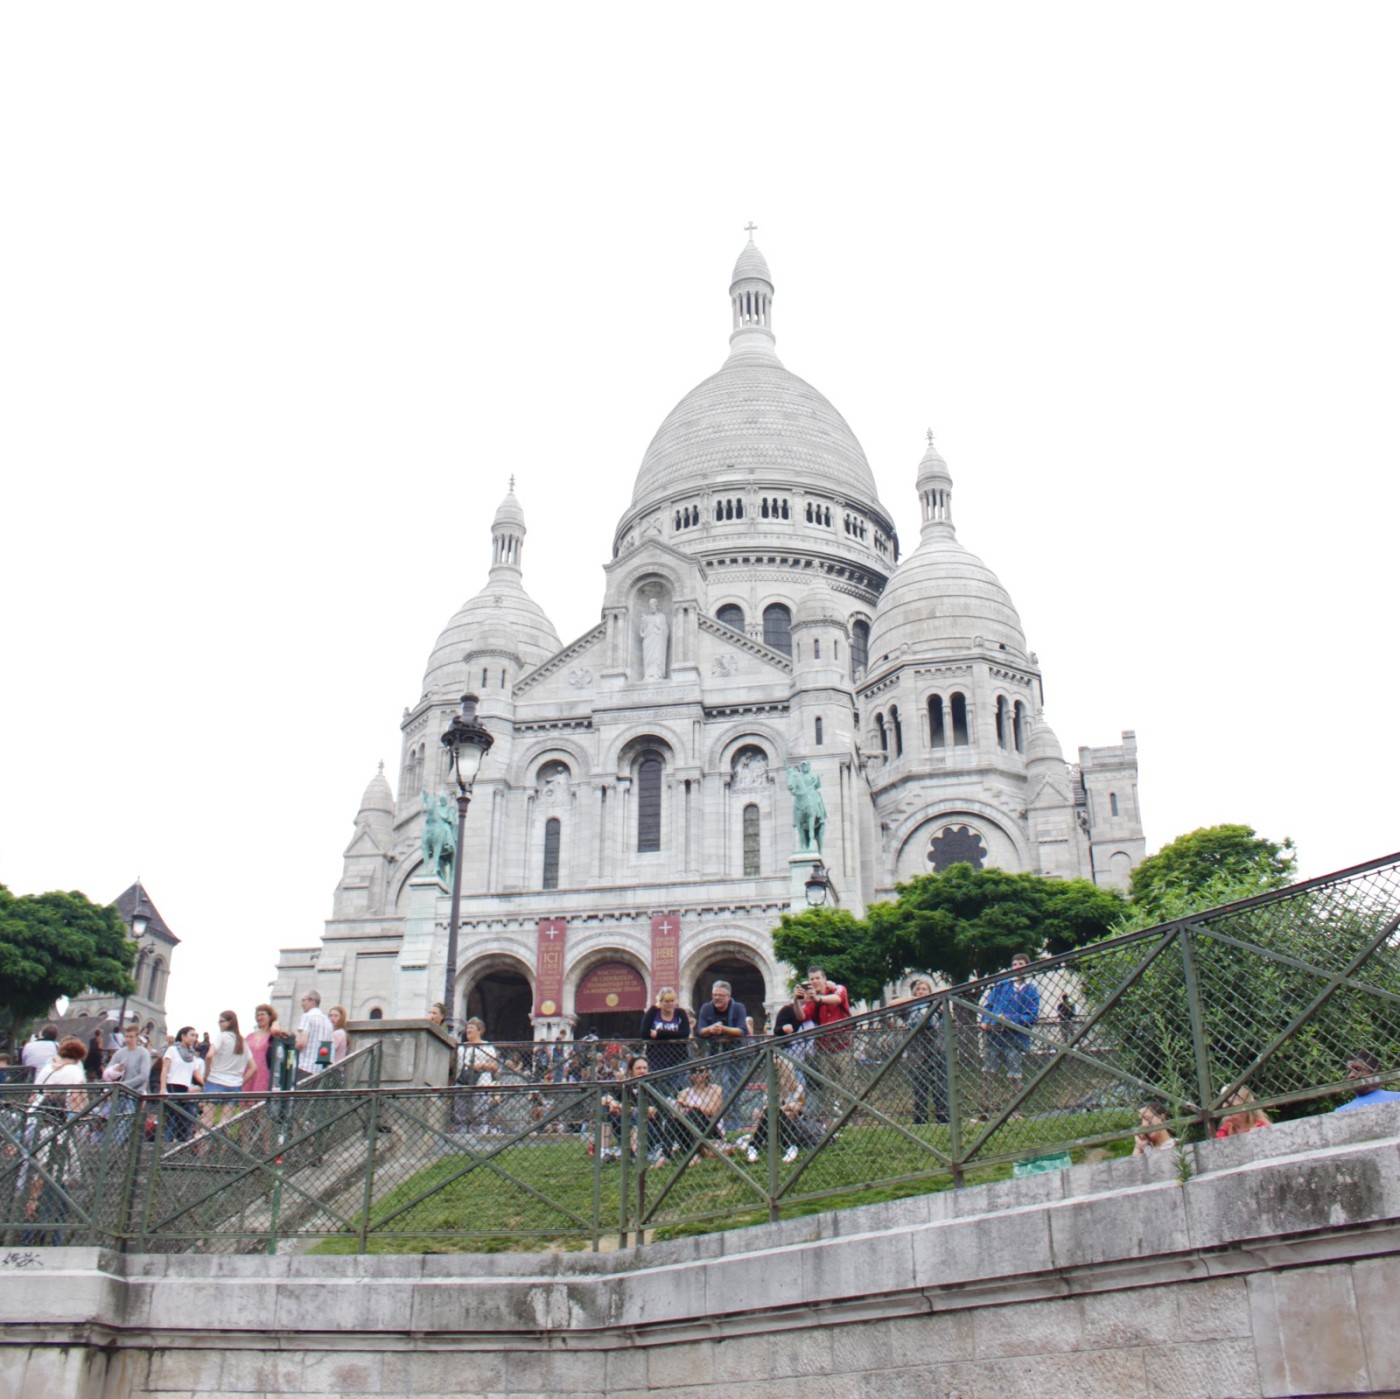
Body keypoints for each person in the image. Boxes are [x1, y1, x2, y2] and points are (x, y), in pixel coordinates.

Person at [979, 953, 1040, 1115]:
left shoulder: (1031, 989)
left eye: (1021, 964)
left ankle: (1015, 1111)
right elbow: (989, 1005)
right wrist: (985, 1020)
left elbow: (1031, 1015)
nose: (1017, 967)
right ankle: (986, 1109)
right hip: (994, 1035)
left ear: (1027, 966)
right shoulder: (1002, 984)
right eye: (1014, 964)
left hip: (1014, 1037)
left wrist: (1009, 1019)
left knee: (1014, 1074)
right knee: (988, 1072)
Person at [890, 976, 948, 1126]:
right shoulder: (909, 1007)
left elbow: (948, 1016)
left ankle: (942, 1117)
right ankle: (920, 1119)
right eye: (919, 990)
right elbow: (892, 1004)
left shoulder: (936, 1005)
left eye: (924, 989)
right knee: (920, 1087)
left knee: (939, 1085)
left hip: (935, 1049)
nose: (921, 992)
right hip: (916, 1051)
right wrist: (913, 999)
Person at [801, 965, 853, 1123]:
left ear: (824, 979)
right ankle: (832, 1122)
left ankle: (849, 1119)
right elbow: (802, 1015)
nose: (815, 981)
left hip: (843, 1045)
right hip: (823, 1048)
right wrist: (797, 1000)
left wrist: (819, 999)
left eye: (818, 978)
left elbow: (837, 1000)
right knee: (827, 1087)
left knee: (848, 1084)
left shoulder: (839, 989)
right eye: (812, 979)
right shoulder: (812, 1000)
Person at [745, 1054, 818, 1165]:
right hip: (773, 1127)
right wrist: (785, 1108)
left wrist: (775, 1111)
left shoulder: (797, 1087)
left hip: (793, 1127)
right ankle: (754, 1148)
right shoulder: (770, 1089)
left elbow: (795, 1112)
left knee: (771, 1113)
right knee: (770, 1114)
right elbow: (769, 1111)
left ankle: (755, 1147)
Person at [695, 980, 748, 1120]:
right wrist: (710, 1029)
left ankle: (735, 1117)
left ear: (728, 996)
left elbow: (742, 1030)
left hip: (737, 1053)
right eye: (714, 995)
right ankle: (722, 1115)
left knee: (737, 1085)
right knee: (721, 1083)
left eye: (720, 995)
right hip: (715, 1053)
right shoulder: (706, 1008)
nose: (716, 998)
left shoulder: (738, 1008)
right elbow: (700, 1031)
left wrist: (724, 1029)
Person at [202, 1011, 254, 1127]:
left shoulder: (222, 1037)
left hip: (215, 1081)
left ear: (229, 1022)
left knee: (206, 1122)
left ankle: (202, 1145)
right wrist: (240, 1082)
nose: (219, 1024)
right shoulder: (242, 1041)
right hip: (234, 1085)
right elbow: (253, 1068)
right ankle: (222, 1145)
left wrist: (206, 1074)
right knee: (224, 1124)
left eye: (221, 1021)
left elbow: (209, 1055)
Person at [160, 1026, 205, 1142]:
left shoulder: (192, 1056)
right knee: (172, 1119)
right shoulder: (173, 1050)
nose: (194, 1038)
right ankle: (166, 1144)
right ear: (183, 1036)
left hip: (185, 1089)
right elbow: (165, 1069)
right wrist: (163, 1088)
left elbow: (197, 1074)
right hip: (172, 1086)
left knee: (185, 1119)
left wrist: (206, 1085)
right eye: (192, 1035)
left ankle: (181, 1143)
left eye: (195, 1036)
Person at [453, 1018, 499, 1132]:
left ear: (480, 1031)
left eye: (472, 1028)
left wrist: (481, 1065)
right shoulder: (462, 1046)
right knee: (460, 1108)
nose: (468, 1030)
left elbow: (494, 1066)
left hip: (481, 1081)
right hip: (462, 1080)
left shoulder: (487, 1046)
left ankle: (479, 1133)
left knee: (479, 1109)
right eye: (467, 1028)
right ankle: (461, 1133)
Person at [638, 987, 691, 1083]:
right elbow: (644, 1033)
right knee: (658, 1087)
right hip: (656, 1059)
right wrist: (674, 1034)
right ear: (660, 1001)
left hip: (678, 1058)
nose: (669, 1004)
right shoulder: (653, 1012)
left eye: (672, 1001)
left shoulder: (680, 1013)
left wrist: (659, 1034)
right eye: (666, 1001)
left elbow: (685, 1034)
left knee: (677, 1087)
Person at [674, 1063, 725, 1162]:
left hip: (710, 1129)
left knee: (695, 1113)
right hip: (688, 1129)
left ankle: (695, 1154)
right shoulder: (686, 1092)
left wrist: (689, 1106)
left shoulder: (715, 1089)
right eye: (694, 1072)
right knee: (674, 1118)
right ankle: (665, 1155)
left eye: (701, 1071)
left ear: (707, 1073)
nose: (697, 1074)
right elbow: (677, 1112)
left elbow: (711, 1111)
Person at [1334, 1050, 1400, 1112]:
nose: (1351, 1075)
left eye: (1358, 1069)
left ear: (1374, 1073)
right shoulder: (1341, 1111)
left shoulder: (1397, 1098)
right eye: (1348, 1071)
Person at [294, 990, 336, 1081]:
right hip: (319, 1072)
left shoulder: (307, 1016)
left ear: (312, 1001)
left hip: (304, 1067)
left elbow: (302, 1043)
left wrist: (292, 1046)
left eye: (303, 1000)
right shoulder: (327, 1022)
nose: (301, 1004)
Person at [244, 1005, 279, 1095]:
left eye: (262, 1014)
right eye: (257, 1015)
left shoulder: (272, 1035)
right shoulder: (249, 1036)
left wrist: (274, 1022)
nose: (259, 1017)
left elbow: (276, 1030)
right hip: (248, 1072)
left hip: (263, 1074)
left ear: (269, 1016)